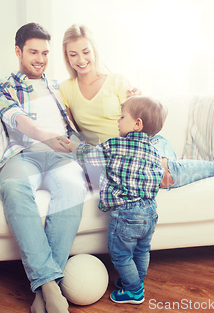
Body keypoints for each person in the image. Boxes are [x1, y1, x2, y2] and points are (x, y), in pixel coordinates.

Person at [59, 24, 214, 190]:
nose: (81, 59)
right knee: (161, 176)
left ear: (94, 51)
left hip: (146, 145)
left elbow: (141, 119)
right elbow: (70, 132)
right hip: (112, 155)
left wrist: (139, 98)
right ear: (67, 57)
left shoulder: (116, 81)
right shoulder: (66, 89)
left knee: (162, 170)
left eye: (86, 52)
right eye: (73, 54)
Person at [0, 22, 87, 313]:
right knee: (14, 188)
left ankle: (45, 291)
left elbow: (83, 115)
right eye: (33, 52)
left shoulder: (58, 86)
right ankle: (50, 287)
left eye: (45, 52)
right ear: (18, 51)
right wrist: (46, 137)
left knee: (73, 188)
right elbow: (16, 118)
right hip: (23, 155)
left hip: (62, 157)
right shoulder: (1, 86)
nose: (40, 59)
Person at [69, 96, 167, 304]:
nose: (118, 121)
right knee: (142, 250)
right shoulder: (154, 152)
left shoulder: (115, 145)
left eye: (122, 117)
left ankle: (133, 290)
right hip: (150, 212)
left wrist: (73, 147)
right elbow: (158, 177)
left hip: (127, 213)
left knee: (121, 255)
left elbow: (90, 157)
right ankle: (136, 280)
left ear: (137, 124)